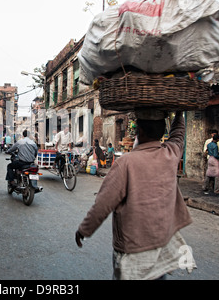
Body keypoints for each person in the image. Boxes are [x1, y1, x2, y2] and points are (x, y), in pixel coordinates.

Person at [75, 111, 195, 280]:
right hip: (161, 246)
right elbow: (177, 135)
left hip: (132, 248)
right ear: (161, 133)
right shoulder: (171, 154)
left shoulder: (126, 162)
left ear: (140, 132)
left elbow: (103, 204)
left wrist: (84, 229)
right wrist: (178, 113)